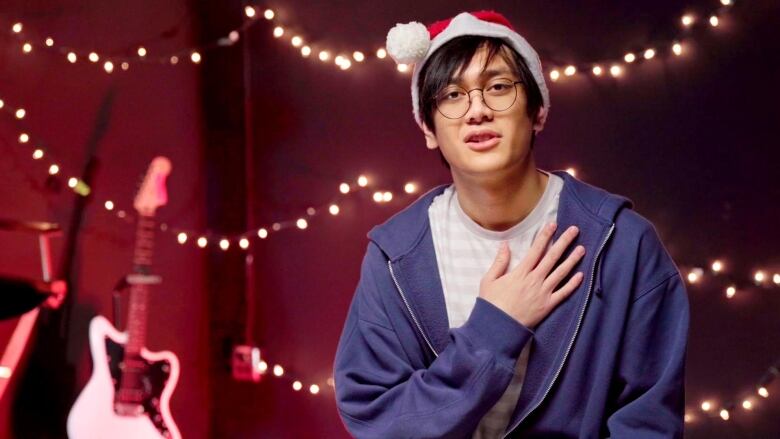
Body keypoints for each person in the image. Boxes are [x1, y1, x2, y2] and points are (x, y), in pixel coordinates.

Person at [333, 10, 689, 438]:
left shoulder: (623, 244)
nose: (477, 110)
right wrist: (494, 329)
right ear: (428, 128)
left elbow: (647, 422)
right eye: (451, 95)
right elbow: (380, 421)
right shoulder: (396, 257)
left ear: (538, 111)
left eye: (499, 88)